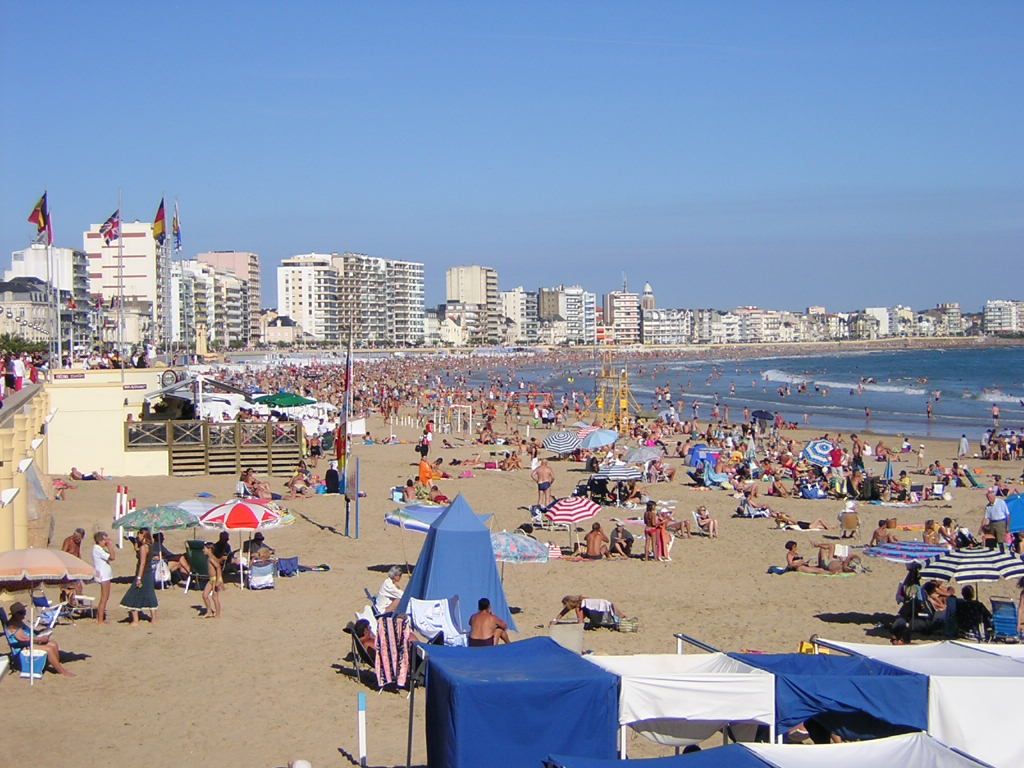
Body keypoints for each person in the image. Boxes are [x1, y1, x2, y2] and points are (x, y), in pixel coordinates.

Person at [4, 602, 75, 676]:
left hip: (29, 643)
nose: (24, 614)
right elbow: (23, 639)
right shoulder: (13, 626)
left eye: (24, 612)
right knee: (49, 649)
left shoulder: (18, 621)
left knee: (53, 644)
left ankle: (56, 665)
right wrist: (39, 639)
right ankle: (62, 671)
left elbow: (28, 633)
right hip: (23, 647)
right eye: (22, 613)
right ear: (16, 614)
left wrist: (40, 633)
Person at [120, 527, 159, 625]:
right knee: (150, 594)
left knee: (133, 594)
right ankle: (154, 619)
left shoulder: (143, 547)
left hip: (143, 573)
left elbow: (142, 563)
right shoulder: (149, 545)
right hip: (149, 573)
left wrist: (138, 578)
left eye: (139, 534)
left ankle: (135, 620)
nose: (137, 536)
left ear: (143, 535)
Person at [552, 595, 623, 628]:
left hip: (603, 617)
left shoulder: (579, 607)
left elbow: (580, 623)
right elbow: (565, 611)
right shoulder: (585, 601)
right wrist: (556, 620)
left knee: (584, 625)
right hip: (609, 613)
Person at [92, 531, 116, 624]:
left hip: (104, 575)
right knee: (104, 597)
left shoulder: (99, 549)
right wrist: (110, 546)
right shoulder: (98, 549)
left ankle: (100, 618)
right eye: (105, 540)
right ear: (100, 540)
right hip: (103, 576)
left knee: (105, 597)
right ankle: (100, 620)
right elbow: (112, 557)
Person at [202, 542, 223, 618]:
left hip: (214, 580)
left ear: (209, 549)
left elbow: (218, 567)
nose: (203, 550)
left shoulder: (211, 558)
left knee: (215, 597)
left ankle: (217, 614)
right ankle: (209, 611)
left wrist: (218, 580)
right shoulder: (210, 557)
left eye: (204, 548)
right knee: (204, 595)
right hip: (211, 580)